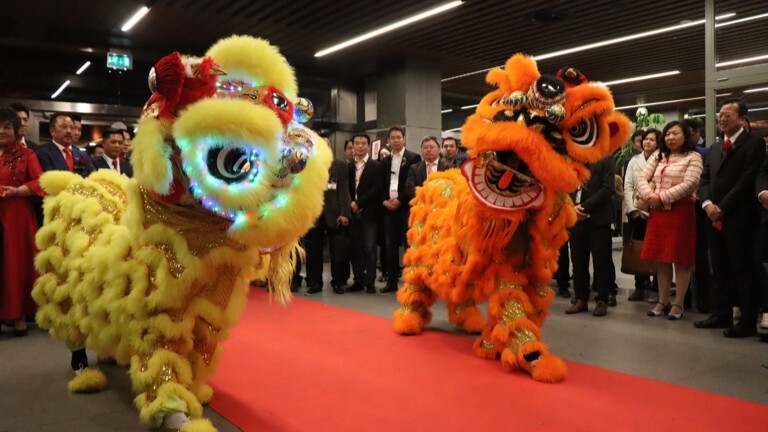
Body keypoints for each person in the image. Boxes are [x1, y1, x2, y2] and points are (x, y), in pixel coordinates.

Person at [695, 98, 765, 337]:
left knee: (742, 267)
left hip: (740, 217)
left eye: (728, 115)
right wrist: (707, 204)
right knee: (719, 266)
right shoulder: (715, 149)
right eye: (720, 115)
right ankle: (720, 312)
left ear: (743, 119)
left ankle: (746, 319)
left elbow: (746, 181)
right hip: (712, 217)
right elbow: (704, 180)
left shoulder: (754, 145)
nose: (722, 119)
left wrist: (721, 207)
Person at [637, 121, 703, 320]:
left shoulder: (694, 157)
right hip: (658, 212)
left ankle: (678, 304)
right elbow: (642, 178)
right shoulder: (659, 156)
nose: (670, 138)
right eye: (667, 134)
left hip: (681, 212)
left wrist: (661, 197)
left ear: (686, 136)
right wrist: (650, 196)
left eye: (675, 133)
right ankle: (662, 300)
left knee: (680, 260)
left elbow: (690, 183)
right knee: (661, 259)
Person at [0, 107, 45, 336]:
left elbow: (40, 182)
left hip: (17, 218)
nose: (1, 131)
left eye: (6, 127)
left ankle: (18, 316)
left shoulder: (27, 155)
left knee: (16, 266)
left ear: (17, 130)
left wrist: (17, 191)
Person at [565, 155, 616, 317]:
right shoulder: (573, 161)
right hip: (576, 219)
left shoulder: (605, 159)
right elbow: (566, 187)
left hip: (598, 218)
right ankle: (580, 298)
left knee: (601, 261)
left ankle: (602, 300)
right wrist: (572, 208)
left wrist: (585, 207)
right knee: (578, 261)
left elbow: (608, 188)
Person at [302, 137, 352, 295]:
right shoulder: (307, 165)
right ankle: (315, 282)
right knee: (313, 251)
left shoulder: (340, 166)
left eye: (327, 144)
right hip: (314, 214)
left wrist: (345, 213)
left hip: (334, 214)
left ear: (331, 146)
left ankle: (337, 282)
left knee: (336, 251)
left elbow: (344, 191)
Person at [379, 126, 421, 293]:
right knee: (390, 246)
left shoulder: (413, 157)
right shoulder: (384, 161)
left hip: (405, 208)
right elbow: (381, 185)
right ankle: (391, 281)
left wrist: (400, 200)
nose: (395, 140)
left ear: (404, 139)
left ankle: (411, 282)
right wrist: (384, 201)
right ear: (388, 141)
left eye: (398, 137)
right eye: (392, 138)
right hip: (388, 208)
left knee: (408, 245)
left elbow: (412, 183)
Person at [623, 128, 661, 301]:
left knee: (657, 250)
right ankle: (640, 285)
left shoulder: (663, 159)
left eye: (652, 140)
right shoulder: (634, 161)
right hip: (637, 211)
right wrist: (633, 209)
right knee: (639, 248)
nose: (647, 142)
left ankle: (657, 286)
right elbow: (628, 186)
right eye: (645, 139)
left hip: (657, 210)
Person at [347, 133, 384, 293]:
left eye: (363, 143)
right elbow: (346, 189)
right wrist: (351, 204)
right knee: (356, 248)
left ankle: (370, 281)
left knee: (369, 248)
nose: (360, 146)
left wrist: (359, 203)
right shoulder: (348, 166)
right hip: (352, 213)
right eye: (357, 143)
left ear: (368, 146)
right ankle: (358, 280)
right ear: (353, 146)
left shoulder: (376, 166)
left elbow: (377, 189)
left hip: (369, 213)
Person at [683, 118, 711, 313]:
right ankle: (682, 299)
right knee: (680, 256)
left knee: (701, 257)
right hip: (679, 210)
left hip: (699, 210)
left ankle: (703, 299)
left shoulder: (705, 153)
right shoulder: (672, 156)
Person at [35, 112, 96, 177]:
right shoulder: (42, 153)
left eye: (72, 127)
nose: (69, 131)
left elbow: (93, 175)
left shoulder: (82, 154)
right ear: (52, 131)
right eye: (64, 127)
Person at [403, 136, 448, 206]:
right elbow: (410, 189)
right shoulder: (414, 168)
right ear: (421, 150)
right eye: (425, 148)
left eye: (432, 147)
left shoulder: (448, 167)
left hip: (442, 206)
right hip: (421, 207)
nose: (428, 150)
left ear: (439, 149)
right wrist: (423, 201)